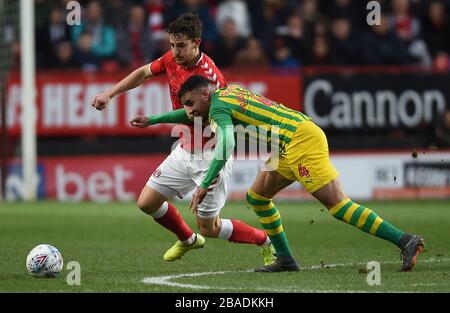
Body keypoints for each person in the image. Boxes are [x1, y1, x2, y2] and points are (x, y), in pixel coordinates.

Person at [138, 75, 425, 273]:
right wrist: (154, 120)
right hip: (288, 141)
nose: (188, 112)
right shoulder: (227, 92)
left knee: (337, 205)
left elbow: (226, 143)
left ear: (205, 94)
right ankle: (285, 258)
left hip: (300, 141)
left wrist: (205, 184)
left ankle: (404, 240)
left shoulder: (218, 108)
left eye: (189, 103)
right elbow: (190, 116)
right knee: (258, 197)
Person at [91, 14, 275, 265]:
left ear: (197, 43)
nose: (175, 52)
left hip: (211, 155)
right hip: (185, 149)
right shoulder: (171, 59)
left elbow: (193, 116)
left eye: (181, 46)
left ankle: (265, 241)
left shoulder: (209, 80)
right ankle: (188, 239)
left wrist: (155, 119)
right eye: (171, 45)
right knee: (147, 202)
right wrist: (110, 93)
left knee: (210, 227)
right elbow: (144, 72)